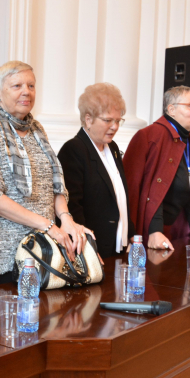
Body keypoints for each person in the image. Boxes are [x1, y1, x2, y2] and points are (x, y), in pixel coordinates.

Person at [0, 61, 92, 290]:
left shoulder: (36, 129)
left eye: (31, 85)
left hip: (43, 252)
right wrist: (48, 226)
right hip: (1, 258)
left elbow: (55, 182)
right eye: (17, 85)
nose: (26, 92)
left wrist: (67, 219)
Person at [122, 85, 190, 250]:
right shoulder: (149, 136)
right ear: (171, 109)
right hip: (152, 232)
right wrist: (154, 230)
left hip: (179, 228)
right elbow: (137, 188)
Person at [57, 82, 133, 260]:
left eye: (118, 120)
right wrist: (88, 249)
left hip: (117, 246)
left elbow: (120, 195)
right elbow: (72, 205)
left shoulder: (112, 147)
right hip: (94, 250)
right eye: (108, 120)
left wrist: (131, 234)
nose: (115, 126)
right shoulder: (74, 149)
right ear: (88, 119)